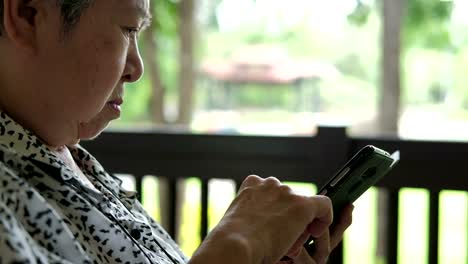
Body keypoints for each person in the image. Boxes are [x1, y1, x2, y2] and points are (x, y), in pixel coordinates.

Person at [0, 0, 354, 263]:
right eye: (127, 30)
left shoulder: (66, 156)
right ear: (29, 15)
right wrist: (234, 245)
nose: (136, 69)